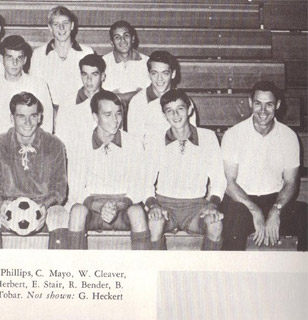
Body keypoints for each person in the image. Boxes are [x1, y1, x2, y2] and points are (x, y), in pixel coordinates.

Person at [220, 81, 306, 251]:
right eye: (258, 104)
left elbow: (290, 182)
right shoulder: (233, 134)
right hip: (242, 202)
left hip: (274, 200)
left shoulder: (289, 136)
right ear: (250, 103)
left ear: (278, 105)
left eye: (269, 104)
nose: (263, 111)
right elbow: (229, 183)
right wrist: (254, 210)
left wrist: (276, 210)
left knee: (305, 215)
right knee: (234, 219)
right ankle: (233, 275)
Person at [0, 92, 68, 249]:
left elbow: (59, 189)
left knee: (61, 216)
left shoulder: (55, 145)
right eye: (21, 116)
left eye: (33, 116)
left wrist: (44, 207)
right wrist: (1, 204)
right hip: (8, 205)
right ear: (12, 118)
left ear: (40, 117)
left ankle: (57, 269)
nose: (28, 122)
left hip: (43, 206)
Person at [66, 91, 150, 250]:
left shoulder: (134, 143)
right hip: (92, 207)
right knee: (77, 211)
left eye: (118, 114)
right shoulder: (79, 143)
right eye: (107, 114)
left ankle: (143, 269)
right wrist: (99, 207)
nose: (115, 120)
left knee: (138, 212)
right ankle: (74, 267)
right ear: (95, 117)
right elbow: (76, 189)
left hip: (122, 206)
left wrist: (118, 206)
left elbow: (139, 186)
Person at [144, 89, 226, 250]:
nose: (175, 115)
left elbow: (218, 179)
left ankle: (208, 273)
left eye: (180, 109)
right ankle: (155, 271)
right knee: (154, 223)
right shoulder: (155, 140)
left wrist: (212, 204)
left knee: (215, 225)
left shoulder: (208, 137)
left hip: (196, 206)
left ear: (189, 110)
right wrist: (153, 205)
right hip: (164, 204)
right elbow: (146, 181)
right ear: (164, 115)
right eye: (169, 111)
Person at [0, 35, 53, 151]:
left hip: (32, 151)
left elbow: (47, 125)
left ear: (25, 60)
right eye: (9, 57)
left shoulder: (39, 85)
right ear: (1, 59)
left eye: (19, 58)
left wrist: (31, 150)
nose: (14, 62)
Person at [30, 6, 94, 109]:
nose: (61, 28)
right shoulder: (38, 55)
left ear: (72, 25)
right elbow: (35, 89)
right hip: (48, 112)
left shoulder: (87, 52)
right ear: (50, 28)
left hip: (79, 110)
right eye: (56, 24)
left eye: (65, 23)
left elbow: (92, 87)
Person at [128, 50, 196, 139]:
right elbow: (135, 143)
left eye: (165, 73)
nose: (159, 79)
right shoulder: (137, 102)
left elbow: (191, 137)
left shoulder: (184, 101)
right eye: (154, 73)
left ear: (173, 74)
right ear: (149, 75)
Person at [54, 53, 105, 144]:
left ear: (103, 76)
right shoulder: (67, 103)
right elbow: (60, 140)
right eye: (85, 74)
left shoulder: (111, 101)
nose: (89, 79)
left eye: (94, 74)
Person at [102, 20, 150, 106]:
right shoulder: (103, 62)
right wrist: (136, 94)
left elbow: (149, 94)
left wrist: (117, 96)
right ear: (111, 42)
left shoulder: (147, 62)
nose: (122, 40)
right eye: (117, 37)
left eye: (126, 35)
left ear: (133, 39)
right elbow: (102, 97)